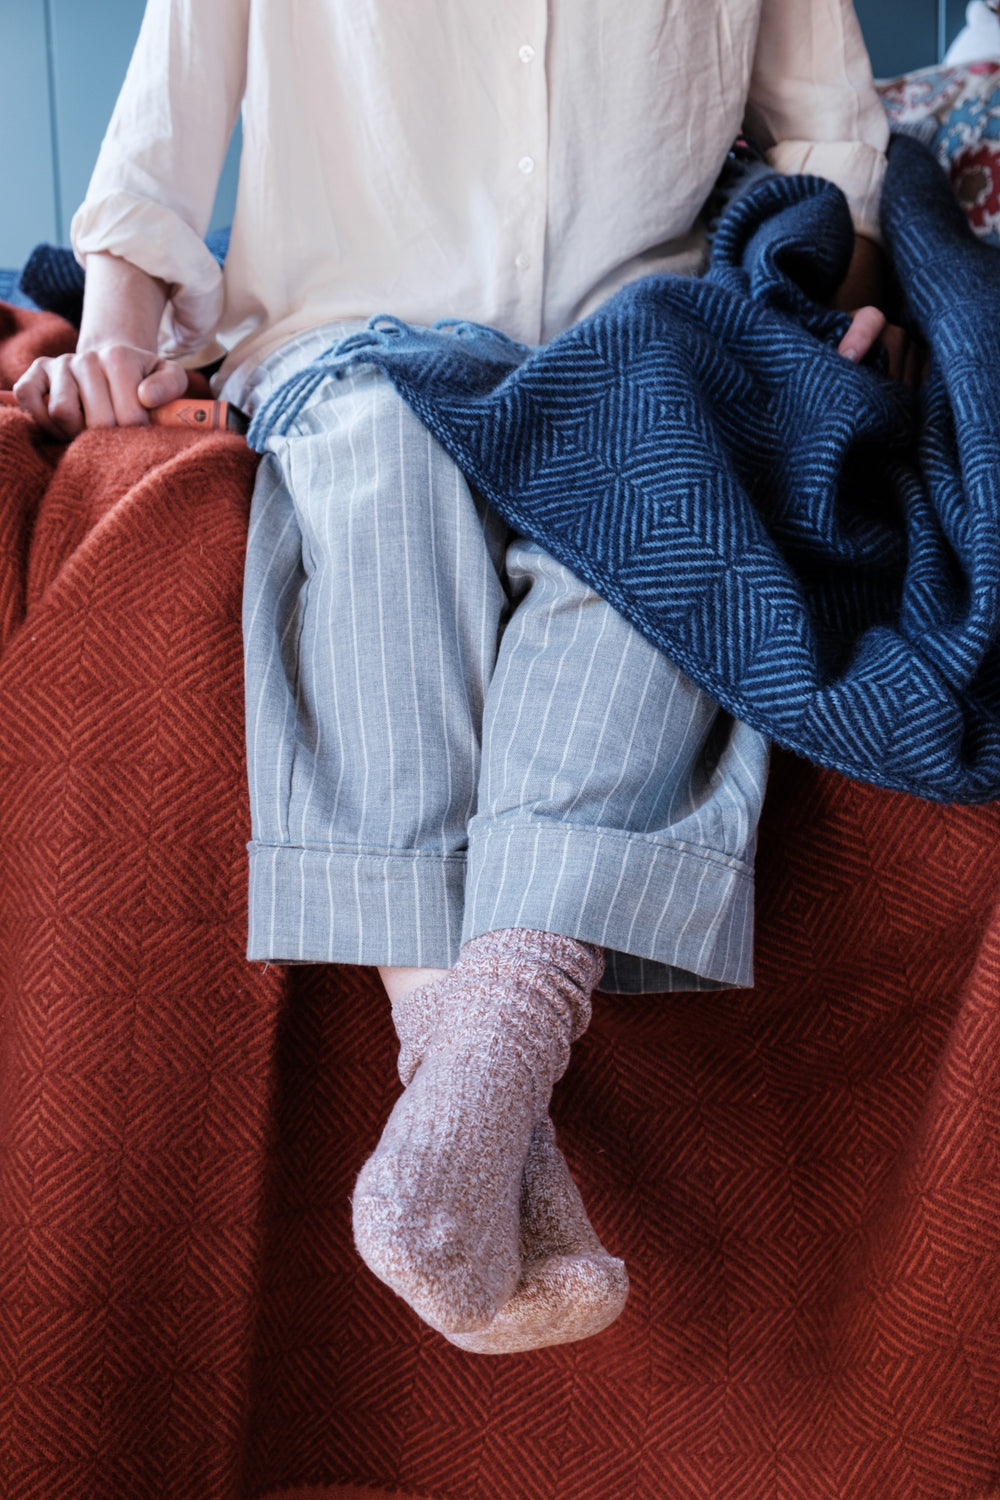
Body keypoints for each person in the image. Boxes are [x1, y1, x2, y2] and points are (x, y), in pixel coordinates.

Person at [14, 1, 893, 1354]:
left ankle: (474, 1090)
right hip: (349, 330)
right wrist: (117, 322)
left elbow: (825, 118)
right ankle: (485, 1109)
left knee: (666, 538)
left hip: (633, 349)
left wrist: (819, 306)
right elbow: (176, 92)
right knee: (380, 488)